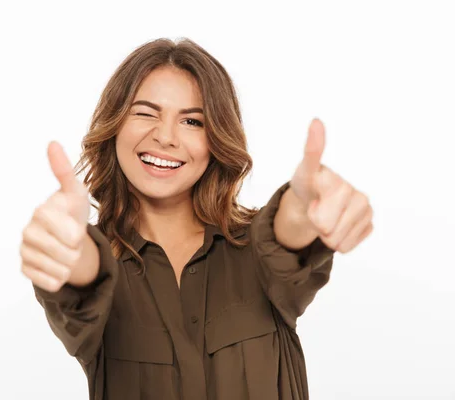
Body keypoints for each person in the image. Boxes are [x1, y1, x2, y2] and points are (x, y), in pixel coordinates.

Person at [20, 38, 373, 400]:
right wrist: (67, 249)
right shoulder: (96, 263)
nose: (166, 137)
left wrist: (303, 207)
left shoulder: (256, 251)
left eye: (191, 121)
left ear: (216, 139)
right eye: (145, 112)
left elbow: (286, 238)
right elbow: (83, 279)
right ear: (114, 125)